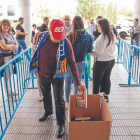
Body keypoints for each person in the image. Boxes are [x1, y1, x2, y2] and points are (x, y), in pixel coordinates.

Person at [30, 19, 86, 138]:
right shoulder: (40, 36)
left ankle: (61, 124)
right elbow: (35, 52)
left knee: (59, 100)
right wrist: (35, 67)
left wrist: (78, 82)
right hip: (42, 73)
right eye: (55, 36)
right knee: (46, 94)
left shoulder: (65, 42)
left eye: (59, 36)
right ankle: (48, 111)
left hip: (58, 74)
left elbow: (72, 62)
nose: (57, 39)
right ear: (49, 30)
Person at [65, 16, 93, 106]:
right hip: (81, 63)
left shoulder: (69, 35)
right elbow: (89, 50)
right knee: (78, 83)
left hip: (70, 64)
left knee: (67, 82)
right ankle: (75, 103)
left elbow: (64, 49)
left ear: (73, 23)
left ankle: (67, 102)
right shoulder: (88, 36)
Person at [91, 18, 115, 102]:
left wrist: (90, 53)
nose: (97, 28)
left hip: (102, 62)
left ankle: (95, 98)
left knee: (97, 80)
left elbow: (98, 52)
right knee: (106, 78)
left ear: (103, 26)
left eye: (98, 26)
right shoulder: (111, 34)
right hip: (111, 60)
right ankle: (106, 95)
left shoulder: (103, 37)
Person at [0, 19, 18, 100]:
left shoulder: (10, 35)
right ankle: (8, 94)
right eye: (4, 24)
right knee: (6, 77)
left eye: (8, 25)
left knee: (9, 75)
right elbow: (3, 46)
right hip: (4, 58)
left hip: (11, 57)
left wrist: (9, 47)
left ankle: (10, 91)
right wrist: (12, 46)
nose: (6, 26)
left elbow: (16, 45)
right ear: (1, 25)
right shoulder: (0, 35)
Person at [32, 26, 42, 101]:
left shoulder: (44, 46)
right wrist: (34, 69)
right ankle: (40, 94)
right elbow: (33, 58)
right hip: (38, 66)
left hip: (44, 66)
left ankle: (43, 93)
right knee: (39, 80)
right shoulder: (33, 47)